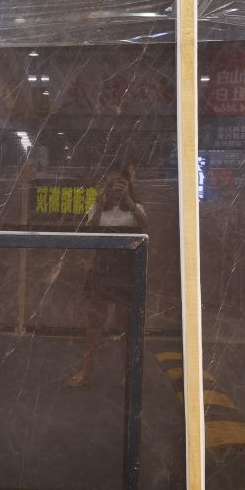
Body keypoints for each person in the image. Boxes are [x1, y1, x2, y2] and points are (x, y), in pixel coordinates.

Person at [68, 165, 148, 387]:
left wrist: (129, 201)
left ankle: (128, 374)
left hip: (126, 271)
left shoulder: (135, 208)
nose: (114, 188)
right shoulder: (98, 207)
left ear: (127, 185)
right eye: (110, 183)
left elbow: (146, 226)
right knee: (94, 323)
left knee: (125, 325)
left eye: (119, 183)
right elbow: (89, 232)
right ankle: (86, 372)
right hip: (102, 268)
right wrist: (99, 203)